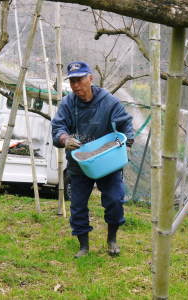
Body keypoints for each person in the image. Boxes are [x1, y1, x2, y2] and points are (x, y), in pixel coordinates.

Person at [51, 61, 134, 258]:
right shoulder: (68, 104)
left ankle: (112, 238)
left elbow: (125, 124)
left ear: (90, 78)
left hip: (106, 161)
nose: (76, 86)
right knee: (77, 204)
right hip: (80, 163)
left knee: (115, 199)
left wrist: (126, 141)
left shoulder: (109, 101)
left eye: (79, 80)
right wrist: (65, 139)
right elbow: (58, 128)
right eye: (72, 82)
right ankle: (84, 246)